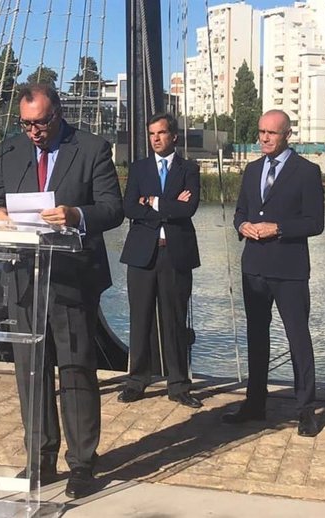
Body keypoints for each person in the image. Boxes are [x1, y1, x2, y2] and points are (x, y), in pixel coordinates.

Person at [0, 84, 124, 499]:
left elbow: (113, 208)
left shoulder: (92, 148)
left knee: (76, 368)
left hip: (73, 278)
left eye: (40, 123)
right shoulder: (10, 151)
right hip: (24, 278)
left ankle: (82, 463)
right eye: (26, 124)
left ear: (57, 114)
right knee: (31, 371)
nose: (34, 132)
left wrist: (76, 213)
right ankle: (39, 458)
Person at [223, 109, 324, 437]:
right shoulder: (252, 170)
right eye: (261, 132)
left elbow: (315, 223)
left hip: (290, 269)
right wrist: (243, 225)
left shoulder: (307, 172)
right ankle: (255, 403)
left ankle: (306, 409)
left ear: (287, 135)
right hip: (254, 267)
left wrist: (277, 228)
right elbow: (240, 210)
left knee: (298, 339)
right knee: (257, 336)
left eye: (272, 133)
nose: (264, 138)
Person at [118, 113, 202, 408]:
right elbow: (129, 206)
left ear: (174, 136)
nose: (155, 138)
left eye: (161, 133)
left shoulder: (189, 168)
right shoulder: (139, 169)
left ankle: (179, 384)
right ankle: (136, 380)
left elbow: (188, 208)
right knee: (139, 318)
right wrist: (169, 205)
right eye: (151, 133)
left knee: (174, 320)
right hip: (142, 254)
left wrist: (152, 202)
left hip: (176, 253)